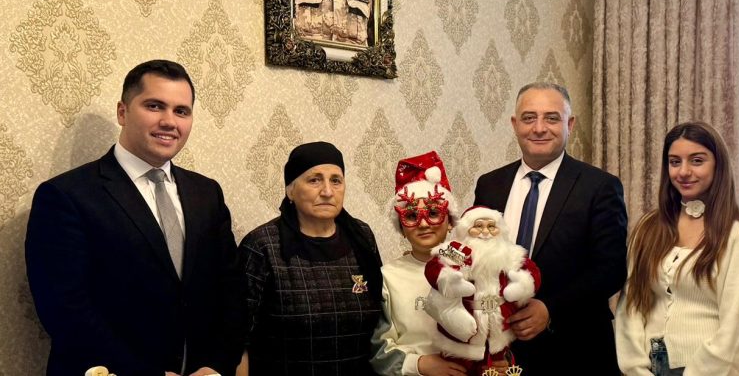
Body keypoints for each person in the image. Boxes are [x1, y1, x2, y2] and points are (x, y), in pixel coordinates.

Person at [25, 60, 246, 376]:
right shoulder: (65, 196)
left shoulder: (207, 192)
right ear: (123, 112)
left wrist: (216, 365)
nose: (169, 121)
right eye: (154, 106)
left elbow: (232, 289)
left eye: (181, 111)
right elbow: (64, 308)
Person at [473, 82, 628, 375]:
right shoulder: (490, 185)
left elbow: (611, 270)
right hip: (502, 353)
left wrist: (550, 310)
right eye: (529, 118)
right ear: (515, 124)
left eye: (552, 118)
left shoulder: (600, 187)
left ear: (569, 124)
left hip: (576, 351)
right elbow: (477, 256)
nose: (539, 128)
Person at [615, 121, 739, 375]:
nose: (684, 171)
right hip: (647, 369)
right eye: (675, 162)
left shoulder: (736, 235)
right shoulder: (648, 227)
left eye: (697, 161)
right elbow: (631, 305)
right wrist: (635, 368)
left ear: (718, 165)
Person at [239, 141, 383, 375]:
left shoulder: (362, 236)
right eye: (314, 180)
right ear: (290, 191)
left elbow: (382, 318)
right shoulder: (262, 246)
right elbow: (238, 337)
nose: (327, 191)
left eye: (336, 180)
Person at [371, 151, 468, 376]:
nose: (423, 224)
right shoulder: (387, 277)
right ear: (402, 228)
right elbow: (378, 349)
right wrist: (419, 364)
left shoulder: (471, 269)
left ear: (450, 221)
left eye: (433, 213)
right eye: (412, 216)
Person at [424, 206, 540, 376]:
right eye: (478, 226)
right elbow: (434, 267)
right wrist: (449, 281)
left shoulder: (509, 253)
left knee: (498, 369)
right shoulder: (454, 250)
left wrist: (522, 285)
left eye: (491, 226)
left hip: (499, 334)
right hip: (462, 337)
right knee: (457, 369)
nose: (485, 232)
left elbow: (532, 271)